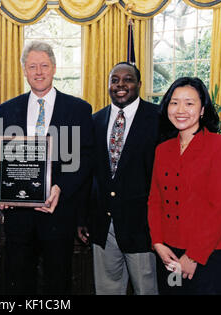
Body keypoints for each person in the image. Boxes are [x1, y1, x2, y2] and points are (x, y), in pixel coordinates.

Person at [0, 41, 95, 294]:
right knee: (18, 282)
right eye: (32, 66)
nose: (38, 72)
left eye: (44, 66)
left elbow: (84, 158)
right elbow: (2, 156)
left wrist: (60, 188)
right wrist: (0, 184)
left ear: (54, 68)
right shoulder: (7, 109)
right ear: (24, 71)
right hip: (19, 217)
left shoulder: (79, 109)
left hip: (58, 213)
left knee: (58, 281)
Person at [148, 77, 221, 295]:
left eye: (189, 103)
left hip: (206, 255)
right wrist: (158, 244)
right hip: (169, 255)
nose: (181, 109)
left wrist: (194, 256)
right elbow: (155, 200)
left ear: (202, 110)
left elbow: (219, 208)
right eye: (174, 102)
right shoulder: (163, 149)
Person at [78, 62, 160, 295]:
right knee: (107, 290)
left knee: (147, 289)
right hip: (103, 226)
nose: (120, 85)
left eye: (128, 79)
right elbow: (87, 175)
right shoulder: (94, 121)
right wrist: (82, 217)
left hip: (143, 228)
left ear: (139, 85)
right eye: (115, 80)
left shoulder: (158, 119)